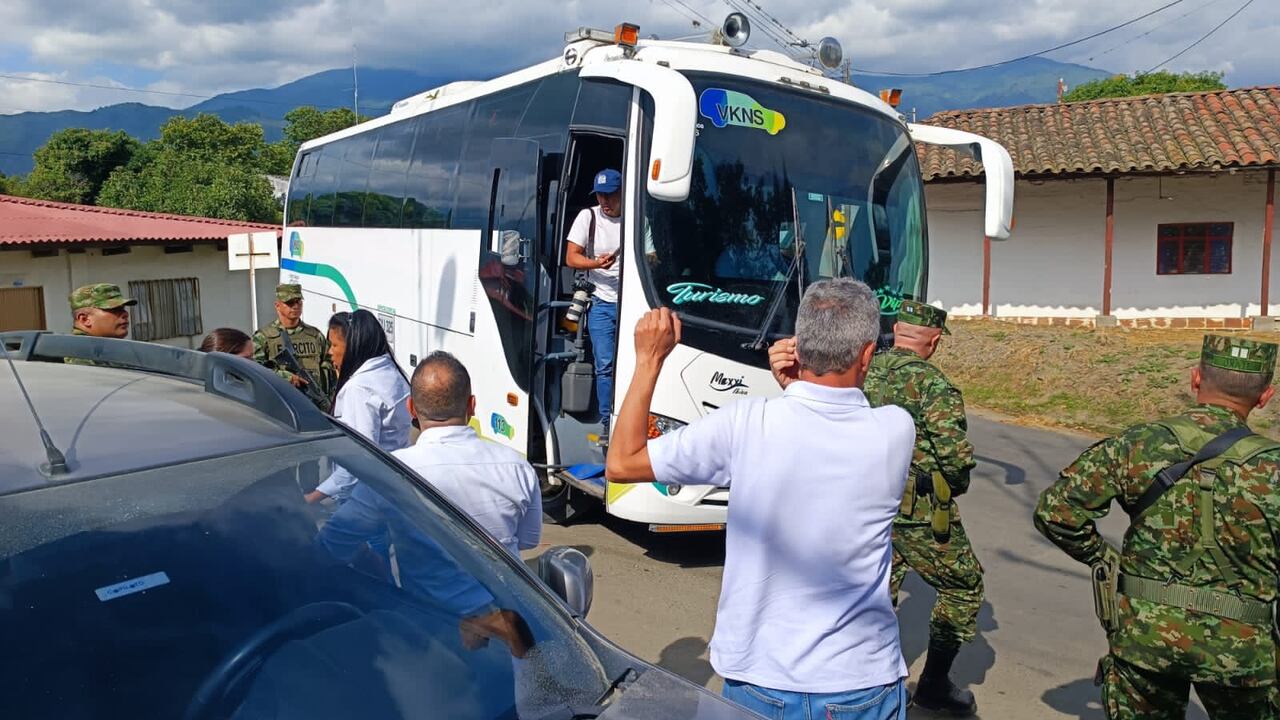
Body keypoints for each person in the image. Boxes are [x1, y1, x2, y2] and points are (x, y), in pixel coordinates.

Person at [607, 278, 915, 720]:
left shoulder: (746, 423)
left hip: (760, 682)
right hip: (860, 682)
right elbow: (828, 422)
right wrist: (794, 388)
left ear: (799, 344)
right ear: (867, 355)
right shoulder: (895, 431)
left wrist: (649, 360)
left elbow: (623, 462)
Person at [1034, 335, 1280, 720]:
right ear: (1266, 396)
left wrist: (1105, 559)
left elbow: (1056, 512)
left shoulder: (1139, 443)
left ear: (1195, 379)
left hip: (1146, 640)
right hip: (1243, 654)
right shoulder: (1273, 468)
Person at [861, 300, 982, 716]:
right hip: (919, 512)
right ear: (932, 342)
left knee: (875, 587)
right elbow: (955, 459)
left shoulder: (865, 369)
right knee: (964, 586)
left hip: (866, 502)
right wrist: (956, 484)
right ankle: (932, 686)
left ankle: (861, 674)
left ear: (896, 331)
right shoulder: (932, 385)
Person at [393, 351, 541, 557]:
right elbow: (529, 539)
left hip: (417, 590)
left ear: (411, 408)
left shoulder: (392, 471)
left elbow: (343, 536)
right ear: (472, 406)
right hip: (503, 590)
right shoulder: (518, 467)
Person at [305, 309, 412, 504]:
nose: (329, 352)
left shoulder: (360, 389)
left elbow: (360, 459)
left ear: (353, 346)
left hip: (366, 496)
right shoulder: (392, 372)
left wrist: (313, 497)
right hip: (394, 485)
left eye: (334, 345)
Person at [564, 168, 623, 442]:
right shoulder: (587, 217)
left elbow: (652, 255)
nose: (604, 201)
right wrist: (596, 264)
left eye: (610, 195)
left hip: (630, 299)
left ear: (623, 193)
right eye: (600, 195)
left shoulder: (635, 218)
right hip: (600, 300)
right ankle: (606, 423)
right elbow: (571, 257)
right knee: (605, 364)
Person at [252, 283, 335, 412]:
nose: (296, 306)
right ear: (277, 306)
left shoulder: (315, 335)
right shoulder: (263, 337)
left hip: (315, 402)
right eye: (290, 303)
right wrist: (286, 377)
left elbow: (330, 362)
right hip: (282, 404)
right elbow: (255, 369)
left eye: (298, 302)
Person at [63, 283, 137, 366]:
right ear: (85, 319)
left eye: (123, 308)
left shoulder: (103, 349)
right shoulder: (79, 354)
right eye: (114, 309)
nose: (125, 314)